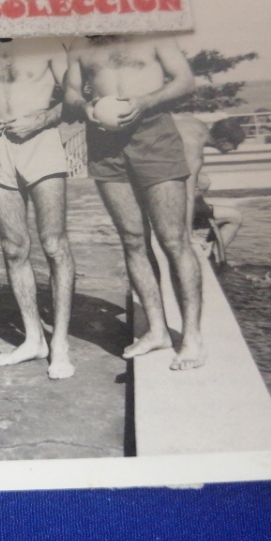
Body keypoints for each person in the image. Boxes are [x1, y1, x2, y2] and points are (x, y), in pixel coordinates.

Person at [64, 33, 206, 370]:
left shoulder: (153, 36)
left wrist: (146, 101)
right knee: (132, 240)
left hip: (154, 134)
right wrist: (85, 106)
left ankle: (192, 337)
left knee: (174, 240)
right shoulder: (82, 44)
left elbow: (185, 81)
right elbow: (70, 92)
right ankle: (157, 330)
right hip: (104, 145)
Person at [0, 36, 76, 379]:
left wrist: (43, 119)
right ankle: (34, 339)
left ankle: (59, 343)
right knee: (13, 248)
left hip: (41, 142)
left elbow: (75, 98)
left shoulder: (46, 42)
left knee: (54, 244)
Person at [172, 114, 246, 245]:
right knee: (235, 217)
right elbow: (188, 196)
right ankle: (210, 255)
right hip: (169, 204)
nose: (235, 149)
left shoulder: (194, 123)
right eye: (235, 144)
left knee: (202, 181)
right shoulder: (194, 152)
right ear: (223, 141)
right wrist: (189, 234)